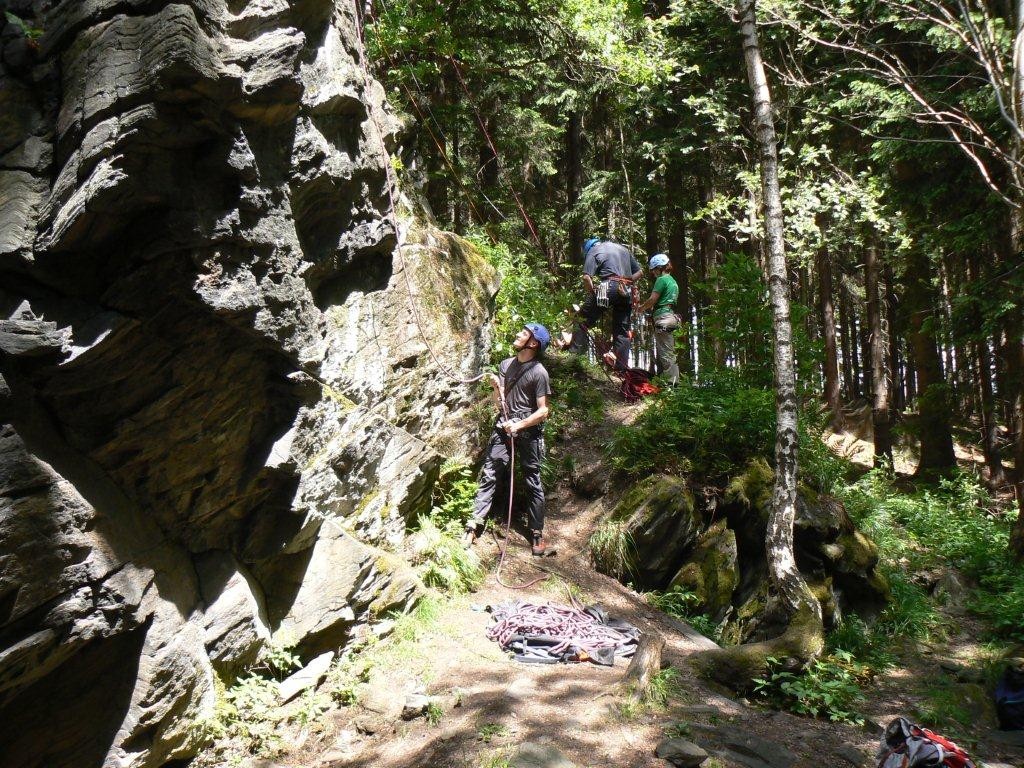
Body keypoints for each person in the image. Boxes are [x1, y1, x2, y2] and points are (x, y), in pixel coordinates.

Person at [465, 323, 553, 556]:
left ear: (533, 343)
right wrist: (496, 388)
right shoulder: (506, 365)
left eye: (524, 333)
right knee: (490, 473)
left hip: (527, 431)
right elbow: (499, 402)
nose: (517, 334)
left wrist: (519, 424)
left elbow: (543, 411)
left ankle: (536, 533)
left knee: (532, 480)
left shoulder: (539, 372)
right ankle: (474, 524)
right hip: (503, 427)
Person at [569, 237, 642, 370]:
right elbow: (639, 272)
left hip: (608, 287)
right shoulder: (623, 249)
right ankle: (621, 369)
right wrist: (626, 281)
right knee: (622, 331)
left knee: (581, 321)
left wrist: (592, 291)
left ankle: (575, 359)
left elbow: (586, 277)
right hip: (626, 291)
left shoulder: (594, 250)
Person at [637, 253, 680, 386]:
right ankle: (673, 382)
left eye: (654, 269)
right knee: (669, 351)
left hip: (663, 317)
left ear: (660, 268)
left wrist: (641, 308)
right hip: (671, 316)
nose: (653, 273)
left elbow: (652, 300)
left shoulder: (661, 280)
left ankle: (672, 384)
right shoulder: (673, 281)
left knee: (665, 354)